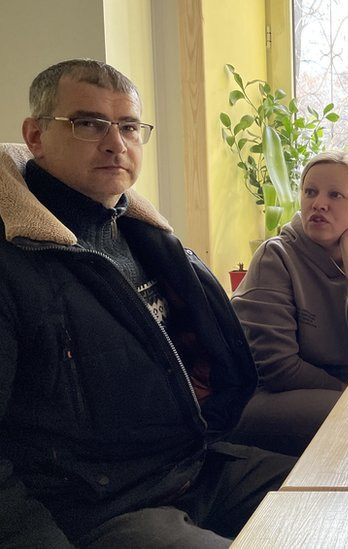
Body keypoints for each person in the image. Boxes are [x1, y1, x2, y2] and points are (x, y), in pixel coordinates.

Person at [0, 59, 295, 548]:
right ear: (35, 136)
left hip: (196, 469)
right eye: (89, 124)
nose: (116, 143)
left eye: (130, 126)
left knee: (345, 500)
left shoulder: (146, 238)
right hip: (103, 508)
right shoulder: (17, 262)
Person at [230, 150, 348, 456]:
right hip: (271, 398)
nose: (318, 204)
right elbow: (277, 367)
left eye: (335, 195)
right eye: (310, 192)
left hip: (346, 393)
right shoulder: (276, 256)